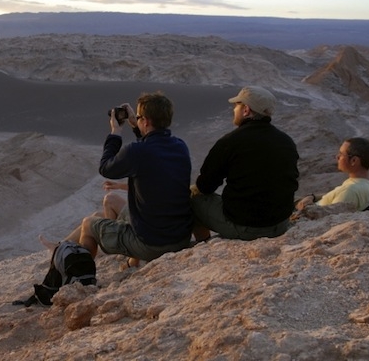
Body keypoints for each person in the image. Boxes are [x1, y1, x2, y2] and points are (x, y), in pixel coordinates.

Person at [41, 91, 193, 268]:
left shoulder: (137, 151)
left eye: (139, 117)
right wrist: (136, 126)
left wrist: (116, 132)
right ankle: (60, 248)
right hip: (179, 237)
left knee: (88, 224)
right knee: (110, 201)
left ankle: (81, 274)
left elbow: (106, 167)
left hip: (152, 244)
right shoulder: (180, 146)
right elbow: (151, 150)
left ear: (146, 121)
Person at [190, 86, 299, 241]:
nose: (234, 109)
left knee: (193, 199)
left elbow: (205, 186)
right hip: (280, 224)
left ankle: (203, 244)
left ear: (246, 110)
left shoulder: (230, 142)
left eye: (236, 105)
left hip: (248, 228)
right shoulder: (286, 141)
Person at [295, 137, 369, 213]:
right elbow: (334, 195)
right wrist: (312, 197)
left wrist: (305, 207)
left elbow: (325, 216)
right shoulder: (367, 182)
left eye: (341, 154)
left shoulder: (350, 191)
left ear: (354, 161)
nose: (337, 157)